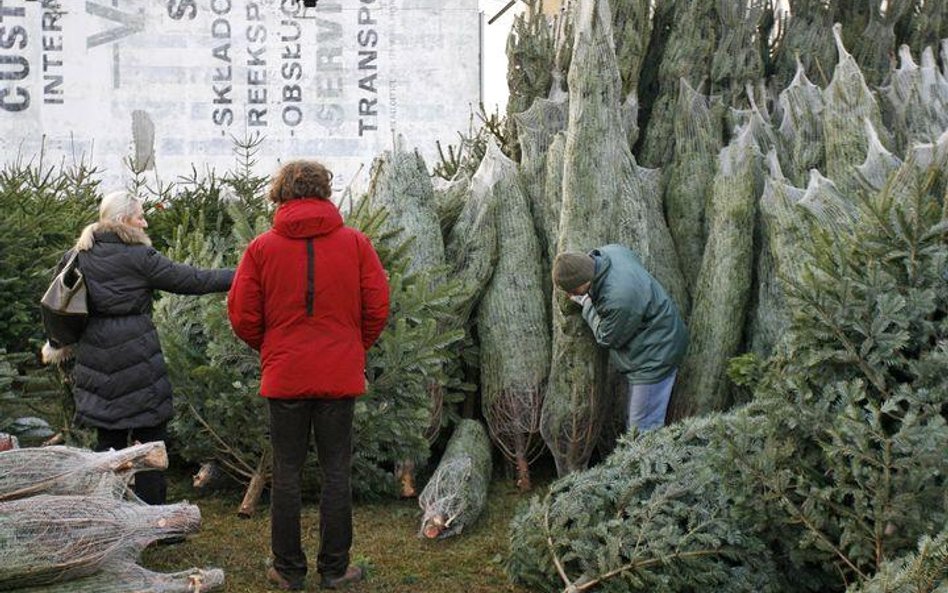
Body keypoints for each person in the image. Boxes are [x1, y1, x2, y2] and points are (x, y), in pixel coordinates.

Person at [227, 160, 389, 591]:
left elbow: (242, 314)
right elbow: (377, 307)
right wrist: (352, 348)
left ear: (281, 193)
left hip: (285, 376)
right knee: (337, 469)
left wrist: (273, 350)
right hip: (338, 374)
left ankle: (287, 569)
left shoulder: (262, 248)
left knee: (287, 471)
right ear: (325, 191)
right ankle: (335, 569)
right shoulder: (355, 244)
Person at [41, 190, 234, 505]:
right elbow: (194, 280)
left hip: (95, 353)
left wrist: (58, 343)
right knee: (151, 441)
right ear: (123, 221)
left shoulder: (78, 253)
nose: (145, 222)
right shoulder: (141, 258)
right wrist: (243, 274)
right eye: (140, 216)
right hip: (138, 353)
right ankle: (154, 519)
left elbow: (57, 303)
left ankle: (108, 513)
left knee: (108, 444)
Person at [552, 244, 687, 432]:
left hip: (656, 355)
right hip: (656, 333)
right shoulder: (611, 252)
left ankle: (653, 460)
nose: (570, 296)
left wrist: (587, 304)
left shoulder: (619, 298)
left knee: (643, 429)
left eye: (573, 291)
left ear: (584, 281)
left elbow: (607, 337)